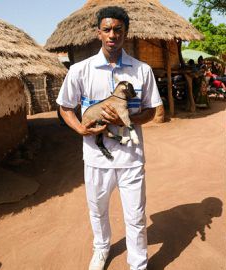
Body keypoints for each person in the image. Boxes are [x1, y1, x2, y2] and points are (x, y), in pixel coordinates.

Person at [57, 7, 162, 270]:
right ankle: (101, 249)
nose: (112, 35)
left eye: (118, 29)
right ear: (98, 33)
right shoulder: (80, 70)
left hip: (131, 160)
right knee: (98, 211)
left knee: (136, 217)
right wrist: (80, 129)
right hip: (95, 158)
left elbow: (152, 111)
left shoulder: (142, 71)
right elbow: (65, 107)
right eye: (107, 29)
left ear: (126, 33)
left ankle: (138, 264)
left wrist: (128, 121)